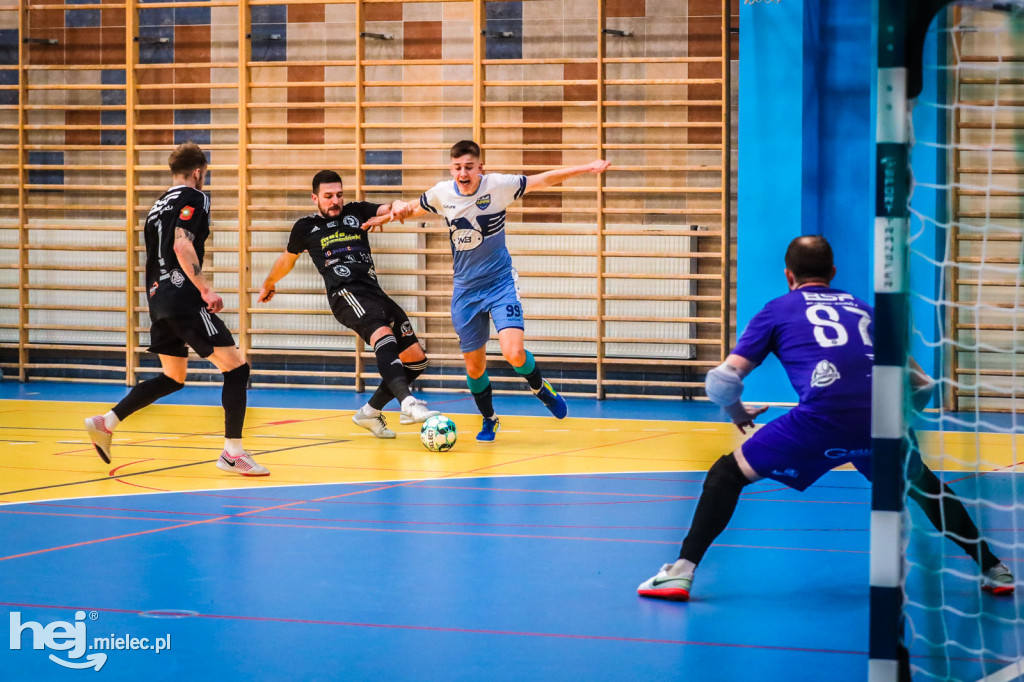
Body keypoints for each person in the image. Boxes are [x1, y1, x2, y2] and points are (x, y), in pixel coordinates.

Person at [637, 235, 1015, 601]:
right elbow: (922, 385)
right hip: (882, 421)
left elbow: (721, 380)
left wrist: (738, 413)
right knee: (926, 488)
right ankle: (994, 568)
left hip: (819, 420)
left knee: (725, 475)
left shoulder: (778, 309)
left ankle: (681, 572)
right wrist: (893, 423)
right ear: (833, 270)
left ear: (788, 275)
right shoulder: (864, 309)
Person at [363, 140, 610, 441]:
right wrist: (391, 212)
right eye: (457, 167)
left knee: (514, 353)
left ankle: (540, 387)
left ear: (481, 167)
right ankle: (489, 418)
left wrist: (586, 167)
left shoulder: (499, 185)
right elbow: (412, 208)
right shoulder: (442, 193)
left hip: (500, 283)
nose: (463, 173)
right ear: (451, 168)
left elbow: (544, 179)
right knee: (474, 366)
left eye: (469, 167)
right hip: (466, 292)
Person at [85, 142, 268, 476]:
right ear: (198, 172)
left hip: (157, 299)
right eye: (205, 175)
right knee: (237, 369)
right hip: (182, 297)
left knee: (173, 376)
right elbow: (182, 243)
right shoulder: (195, 197)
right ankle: (233, 453)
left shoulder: (157, 205)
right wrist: (205, 287)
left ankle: (106, 422)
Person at [258, 170, 439, 437]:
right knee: (383, 336)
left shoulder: (356, 211)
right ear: (315, 198)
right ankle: (408, 403)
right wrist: (269, 283)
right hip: (345, 295)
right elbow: (287, 259)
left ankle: (369, 413)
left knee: (416, 361)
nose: (335, 201)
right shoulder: (305, 228)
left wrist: (399, 206)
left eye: (339, 195)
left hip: (374, 293)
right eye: (328, 196)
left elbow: (387, 207)